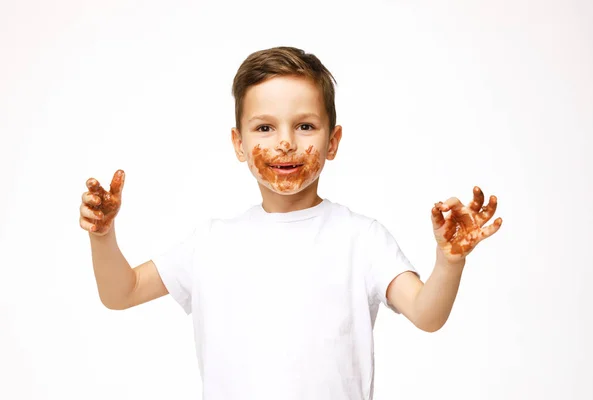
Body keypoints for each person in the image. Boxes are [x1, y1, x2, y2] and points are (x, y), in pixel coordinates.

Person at [79, 46, 502, 400]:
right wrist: (103, 234)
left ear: (332, 141)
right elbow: (122, 292)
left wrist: (450, 261)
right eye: (264, 127)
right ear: (238, 144)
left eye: (305, 126)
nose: (285, 142)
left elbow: (427, 315)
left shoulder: (361, 238)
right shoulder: (211, 243)